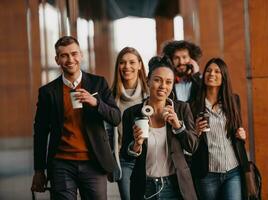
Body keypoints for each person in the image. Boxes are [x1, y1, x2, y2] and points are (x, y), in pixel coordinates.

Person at [30, 36, 121, 200]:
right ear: (57, 60)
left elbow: (115, 118)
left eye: (74, 54)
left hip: (94, 161)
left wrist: (96, 102)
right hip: (61, 163)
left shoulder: (98, 83)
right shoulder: (48, 92)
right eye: (64, 55)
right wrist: (39, 170)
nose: (70, 59)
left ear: (81, 55)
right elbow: (40, 132)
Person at [120, 55, 198, 199]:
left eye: (168, 82)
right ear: (147, 81)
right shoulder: (131, 114)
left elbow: (192, 146)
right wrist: (136, 145)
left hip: (176, 186)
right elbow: (125, 155)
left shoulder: (181, 109)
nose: (163, 86)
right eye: (157, 80)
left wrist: (178, 126)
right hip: (145, 187)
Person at [190, 58, 247, 200]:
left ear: (224, 77)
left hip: (233, 171)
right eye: (208, 71)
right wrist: (195, 132)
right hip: (207, 173)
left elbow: (236, 131)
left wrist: (242, 135)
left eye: (217, 71)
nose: (212, 74)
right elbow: (188, 144)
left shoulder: (233, 101)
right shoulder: (193, 106)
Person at [109, 47, 148, 200]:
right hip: (124, 159)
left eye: (132, 62)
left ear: (139, 65)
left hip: (148, 158)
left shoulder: (150, 93)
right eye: (122, 62)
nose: (127, 67)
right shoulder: (110, 96)